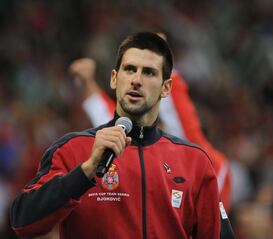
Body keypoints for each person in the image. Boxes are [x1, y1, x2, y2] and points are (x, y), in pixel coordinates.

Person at [10, 32, 234, 238]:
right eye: (130, 69)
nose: (137, 79)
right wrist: (86, 170)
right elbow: (22, 221)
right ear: (114, 79)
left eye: (148, 72)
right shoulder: (72, 149)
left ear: (166, 88)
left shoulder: (194, 162)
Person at [69, 55, 233, 211]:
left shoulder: (208, 165)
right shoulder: (133, 148)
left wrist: (163, 63)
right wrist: (88, 81)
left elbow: (184, 122)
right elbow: (109, 119)